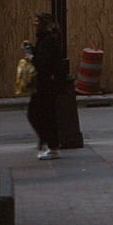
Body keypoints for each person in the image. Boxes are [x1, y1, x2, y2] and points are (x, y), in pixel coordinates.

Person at [26, 12, 64, 160]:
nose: (34, 25)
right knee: (45, 114)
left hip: (46, 82)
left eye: (37, 22)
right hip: (48, 82)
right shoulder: (48, 38)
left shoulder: (49, 39)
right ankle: (48, 142)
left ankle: (51, 144)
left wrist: (32, 57)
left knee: (39, 114)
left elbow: (46, 62)